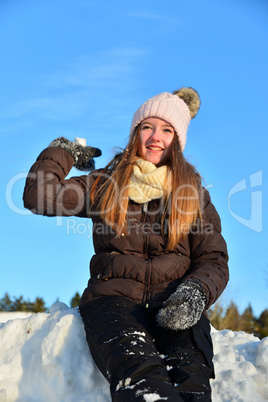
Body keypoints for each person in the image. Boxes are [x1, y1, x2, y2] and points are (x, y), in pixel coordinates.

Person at [23, 87, 229, 401]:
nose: (155, 137)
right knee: (142, 382)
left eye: (167, 129)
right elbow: (39, 196)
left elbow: (213, 258)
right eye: (147, 127)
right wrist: (62, 151)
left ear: (178, 140)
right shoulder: (106, 184)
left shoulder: (193, 193)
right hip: (113, 302)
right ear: (135, 134)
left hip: (176, 302)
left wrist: (195, 292)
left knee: (192, 383)